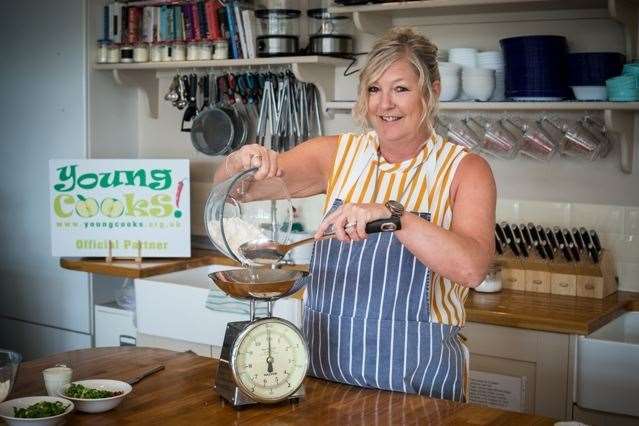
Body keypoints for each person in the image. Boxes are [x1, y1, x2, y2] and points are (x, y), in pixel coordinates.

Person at [213, 27, 496, 402]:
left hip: (418, 382)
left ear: (433, 90)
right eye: (374, 89)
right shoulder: (337, 155)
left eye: (401, 89)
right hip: (324, 370)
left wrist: (396, 217)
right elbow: (237, 191)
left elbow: (473, 268)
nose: (384, 105)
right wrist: (238, 161)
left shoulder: (466, 170)